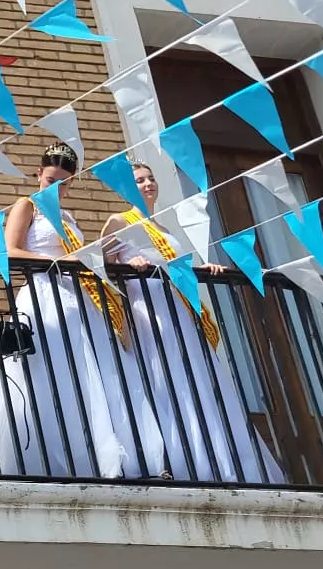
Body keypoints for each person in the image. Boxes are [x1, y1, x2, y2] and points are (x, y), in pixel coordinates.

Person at [0, 143, 160, 480]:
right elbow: (10, 252)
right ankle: (39, 460)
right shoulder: (28, 205)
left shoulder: (68, 217)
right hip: (44, 296)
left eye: (63, 182)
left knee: (81, 374)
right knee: (46, 373)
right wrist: (61, 261)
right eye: (50, 179)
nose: (55, 187)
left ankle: (88, 458)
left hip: (77, 300)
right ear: (39, 174)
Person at [103, 164, 285, 484]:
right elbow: (98, 266)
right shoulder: (119, 222)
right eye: (139, 181)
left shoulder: (162, 226)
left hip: (178, 312)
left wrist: (202, 267)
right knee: (162, 381)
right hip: (149, 314)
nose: (147, 184)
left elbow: (175, 268)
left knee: (194, 382)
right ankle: (174, 460)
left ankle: (210, 459)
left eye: (150, 178)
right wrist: (126, 264)